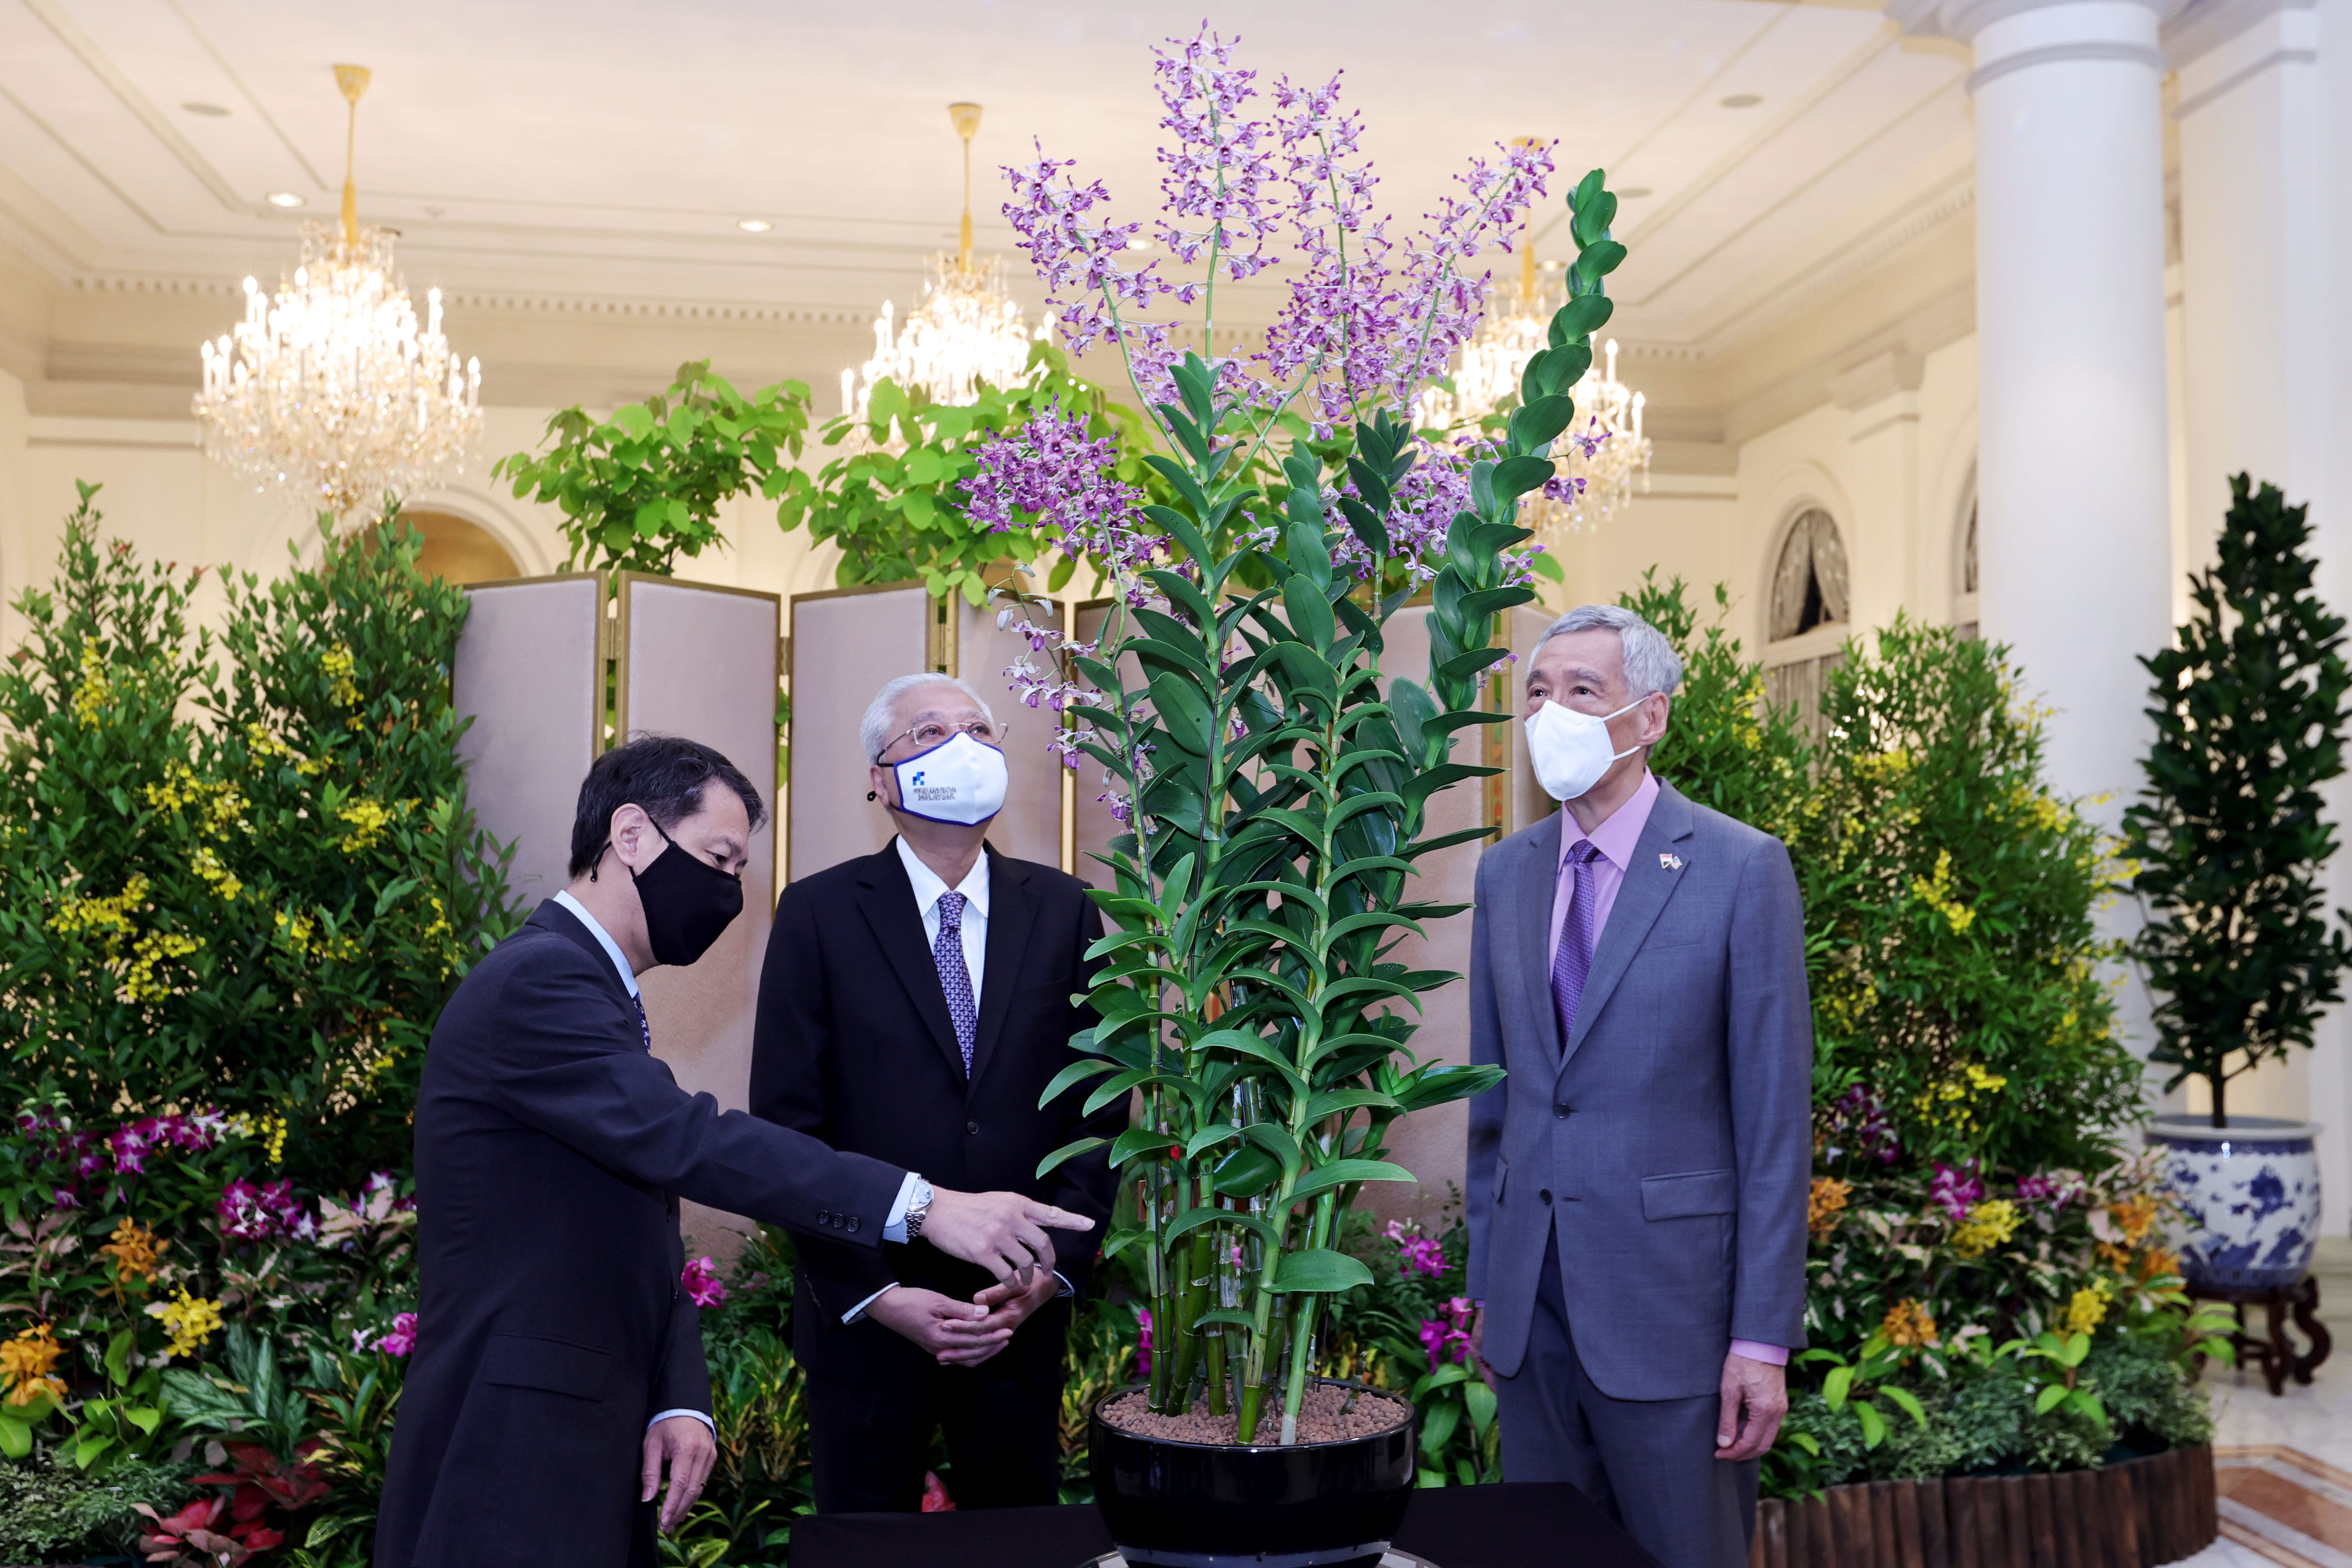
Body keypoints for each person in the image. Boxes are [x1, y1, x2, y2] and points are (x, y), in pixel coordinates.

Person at [377, 735, 1092, 1568]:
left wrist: (676, 1398)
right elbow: (692, 1139)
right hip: (514, 1439)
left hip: (583, 1424)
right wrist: (927, 1205)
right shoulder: (541, 982)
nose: (727, 894)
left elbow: (638, 1219)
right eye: (718, 858)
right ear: (633, 834)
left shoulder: (593, 989)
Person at [1464, 605, 1812, 1568]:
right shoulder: (1506, 874)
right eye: (1537, 692)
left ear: (1649, 717)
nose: (1551, 714)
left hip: (1675, 1321)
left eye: (1583, 691)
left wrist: (1762, 1341)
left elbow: (1775, 1125)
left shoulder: (1742, 868)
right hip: (1532, 1319)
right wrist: (1490, 1286)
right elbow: (1495, 1108)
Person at [750, 673, 1122, 1513]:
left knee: (1016, 1540)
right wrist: (876, 1292)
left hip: (1015, 1315)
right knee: (869, 1545)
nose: (961, 746)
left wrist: (1052, 1271)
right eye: (927, 733)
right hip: (869, 1318)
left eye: (978, 729)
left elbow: (1097, 1106)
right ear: (879, 779)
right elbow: (786, 1126)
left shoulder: (1065, 909)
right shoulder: (816, 913)